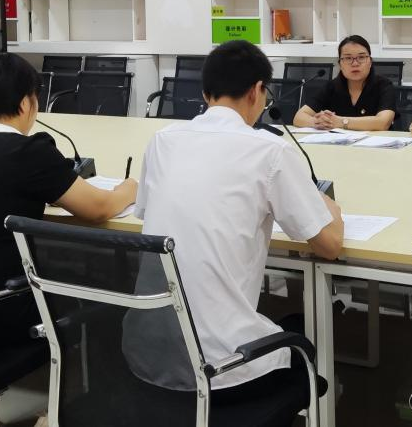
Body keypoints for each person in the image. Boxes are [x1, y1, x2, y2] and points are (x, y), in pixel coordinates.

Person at [123, 40, 343, 426]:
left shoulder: (162, 141)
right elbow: (329, 246)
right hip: (220, 371)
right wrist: (331, 208)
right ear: (257, 91)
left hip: (146, 355)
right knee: (302, 343)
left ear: (205, 93)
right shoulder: (269, 150)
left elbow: (149, 214)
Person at [0, 52, 136, 427]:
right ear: (25, 103)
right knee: (107, 287)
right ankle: (74, 412)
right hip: (6, 307)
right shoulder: (28, 152)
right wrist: (129, 188)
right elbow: (98, 208)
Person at [293, 35, 395, 131]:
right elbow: (298, 117)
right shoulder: (331, 87)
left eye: (361, 57)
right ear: (340, 64)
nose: (355, 63)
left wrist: (341, 122)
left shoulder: (383, 85)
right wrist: (318, 122)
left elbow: (383, 123)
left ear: (370, 62)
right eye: (348, 58)